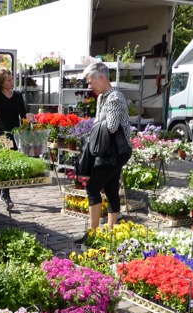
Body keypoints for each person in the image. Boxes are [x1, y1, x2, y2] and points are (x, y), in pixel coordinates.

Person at [75, 61, 132, 245]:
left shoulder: (115, 98)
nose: (89, 86)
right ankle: (110, 233)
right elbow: (100, 124)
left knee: (92, 187)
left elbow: (112, 127)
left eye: (91, 82)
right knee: (110, 187)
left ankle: (93, 234)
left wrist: (95, 133)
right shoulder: (102, 98)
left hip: (116, 150)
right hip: (108, 148)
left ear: (101, 78)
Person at [0, 67, 33, 211]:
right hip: (1, 134)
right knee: (5, 162)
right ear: (2, 83)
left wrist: (28, 118)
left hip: (14, 134)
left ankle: (4, 191)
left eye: (12, 79)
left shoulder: (17, 95)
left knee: (10, 164)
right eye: (9, 80)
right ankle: (5, 195)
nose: (12, 82)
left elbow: (23, 114)